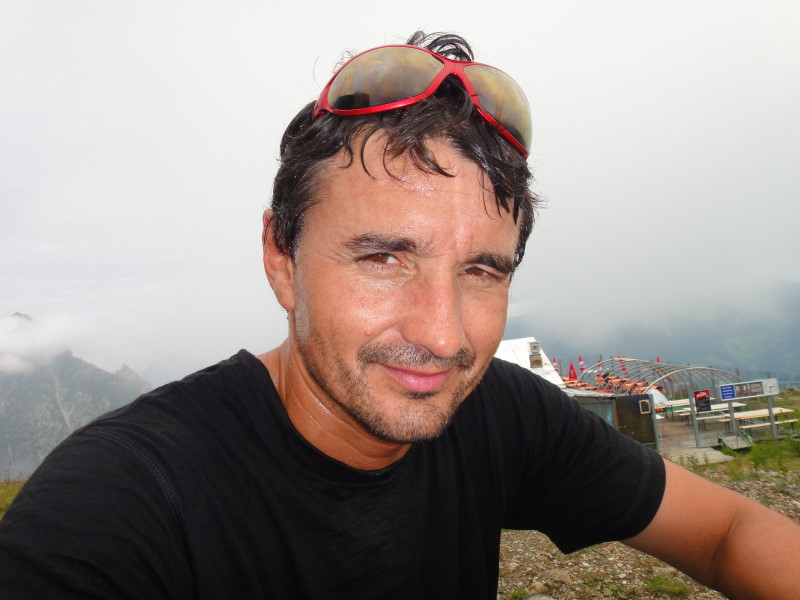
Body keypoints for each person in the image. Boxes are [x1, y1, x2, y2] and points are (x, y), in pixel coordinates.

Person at [1, 31, 798, 600]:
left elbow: (727, 532)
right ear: (281, 257)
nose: (442, 336)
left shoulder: (502, 417)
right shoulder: (122, 502)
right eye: (384, 258)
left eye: (481, 270)